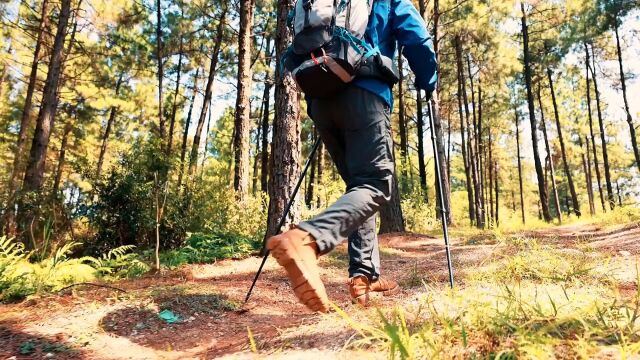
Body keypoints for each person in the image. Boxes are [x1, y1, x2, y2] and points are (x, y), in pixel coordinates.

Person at [267, 0, 438, 313]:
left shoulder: (315, 5)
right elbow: (418, 40)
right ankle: (308, 239)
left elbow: (289, 58)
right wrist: (429, 81)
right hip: (365, 93)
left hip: (321, 101)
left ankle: (364, 276)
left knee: (359, 189)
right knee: (376, 184)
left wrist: (327, 81)